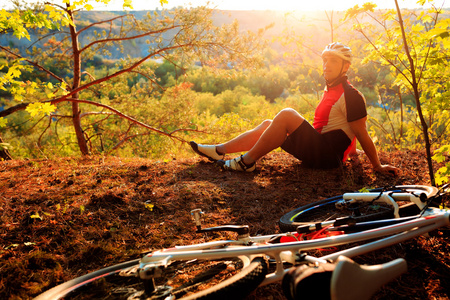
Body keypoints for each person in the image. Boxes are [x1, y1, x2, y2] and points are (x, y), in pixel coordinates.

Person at [190, 42, 398, 175]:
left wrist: (377, 166)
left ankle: (247, 163)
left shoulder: (351, 95)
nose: (326, 64)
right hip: (319, 150)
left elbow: (360, 131)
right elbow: (346, 128)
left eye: (333, 61)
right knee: (268, 124)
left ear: (346, 67)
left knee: (287, 114)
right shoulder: (330, 90)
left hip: (327, 158)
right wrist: (352, 153)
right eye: (325, 60)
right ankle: (219, 151)